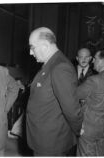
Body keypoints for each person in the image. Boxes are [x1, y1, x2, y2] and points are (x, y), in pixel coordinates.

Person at [26, 27, 83, 156]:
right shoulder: (51, 64)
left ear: (45, 46)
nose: (30, 52)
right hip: (44, 138)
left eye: (32, 47)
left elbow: (71, 108)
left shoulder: (60, 67)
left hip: (52, 143)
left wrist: (79, 129)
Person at [76, 50, 104, 156]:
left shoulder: (94, 80)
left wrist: (84, 100)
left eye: (95, 58)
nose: (93, 61)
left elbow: (74, 96)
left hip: (89, 129)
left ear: (102, 61)